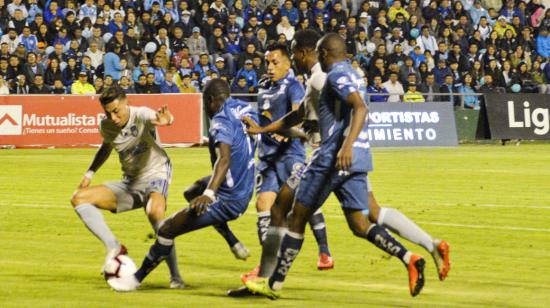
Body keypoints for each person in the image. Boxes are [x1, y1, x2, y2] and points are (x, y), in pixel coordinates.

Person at [243, 33, 427, 299]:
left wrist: (345, 145)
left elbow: (360, 108)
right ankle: (409, 257)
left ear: (323, 53)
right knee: (359, 223)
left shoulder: (332, 76)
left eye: (301, 53)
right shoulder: (352, 75)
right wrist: (265, 128)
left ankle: (271, 285)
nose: (302, 58)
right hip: (352, 162)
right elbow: (300, 114)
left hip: (330, 159)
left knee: (296, 217)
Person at [108, 79, 258, 292]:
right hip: (243, 182)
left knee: (168, 229)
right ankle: (232, 240)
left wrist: (209, 193)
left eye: (205, 102)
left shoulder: (220, 122)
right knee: (191, 192)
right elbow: (264, 125)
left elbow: (224, 160)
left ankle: (134, 280)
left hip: (230, 196)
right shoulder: (243, 107)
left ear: (210, 100)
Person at [69, 87, 184, 289]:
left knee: (156, 214)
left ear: (126, 103)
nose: (113, 117)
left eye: (116, 111)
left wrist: (169, 120)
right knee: (79, 198)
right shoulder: (107, 126)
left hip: (156, 175)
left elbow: (160, 117)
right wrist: (89, 173)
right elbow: (107, 146)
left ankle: (176, 277)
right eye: (108, 113)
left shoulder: (140, 114)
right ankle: (114, 246)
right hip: (131, 182)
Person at [253, 43, 334, 270]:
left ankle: (325, 252)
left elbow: (299, 115)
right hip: (268, 157)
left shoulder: (294, 86)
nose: (269, 67)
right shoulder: (263, 85)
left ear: (288, 63)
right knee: (263, 205)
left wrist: (290, 133)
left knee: (305, 202)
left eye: (275, 62)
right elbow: (265, 116)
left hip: (290, 155)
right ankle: (268, 262)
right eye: (267, 62)